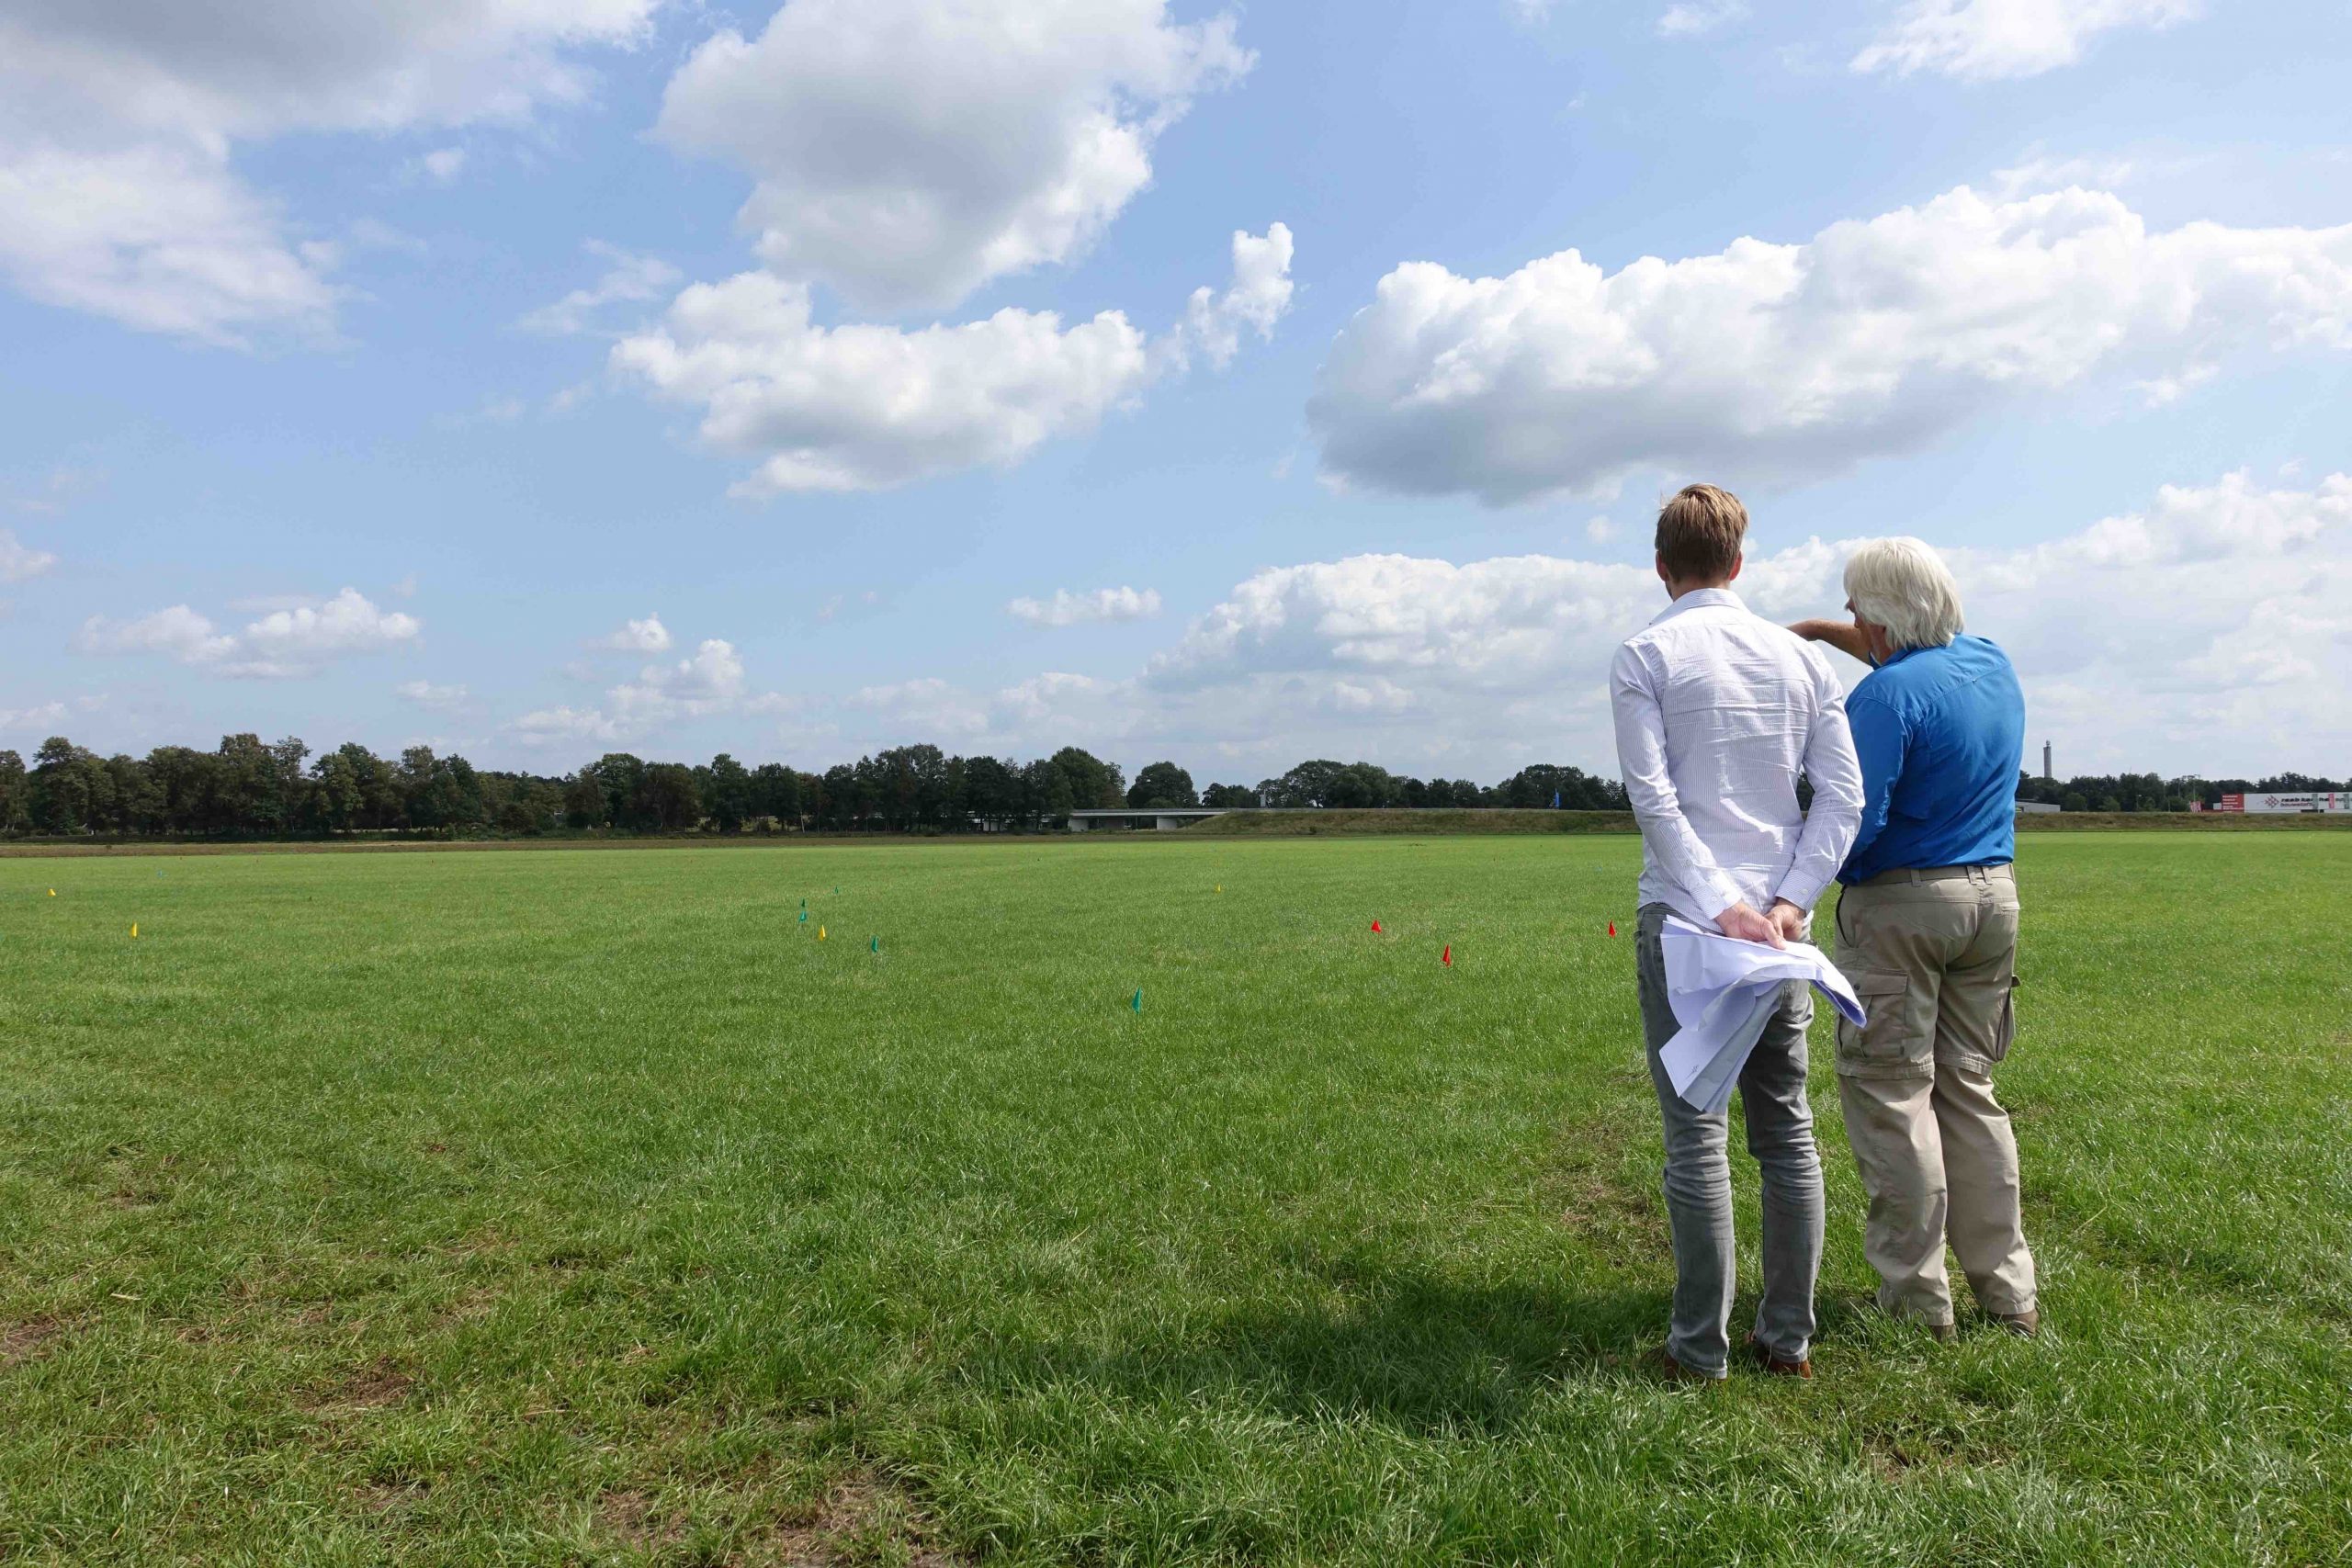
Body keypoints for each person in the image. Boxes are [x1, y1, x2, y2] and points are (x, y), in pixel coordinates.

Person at [1611, 484, 1864, 1382]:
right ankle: (1786, 1340)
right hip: (1773, 939)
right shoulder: (1799, 663)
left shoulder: (1645, 653)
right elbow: (1842, 797)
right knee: (1785, 1132)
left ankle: (1697, 1351)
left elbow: (1655, 799)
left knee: (1694, 1133)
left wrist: (1720, 903)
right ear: (1740, 563)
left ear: (1660, 567)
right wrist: (1788, 900)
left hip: (1689, 925)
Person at [1791, 538, 2041, 1340]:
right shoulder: (1992, 663)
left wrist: (1806, 881)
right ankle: (2009, 1294)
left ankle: (1917, 1303)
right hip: (1992, 899)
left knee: (1895, 1094)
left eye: (1857, 609)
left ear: (1885, 623)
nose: (1853, 620)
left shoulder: (1885, 699)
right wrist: (1830, 631)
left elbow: (1855, 819)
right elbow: (1911, 637)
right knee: (1969, 1092)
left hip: (1902, 906)